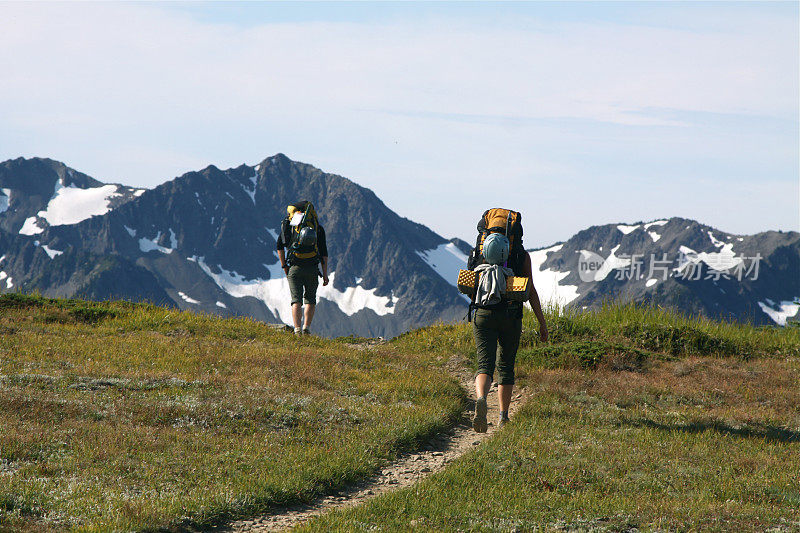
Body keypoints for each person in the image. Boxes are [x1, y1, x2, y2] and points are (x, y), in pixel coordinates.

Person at [471, 233, 548, 432]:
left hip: (483, 314)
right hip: (510, 316)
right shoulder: (521, 256)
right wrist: (542, 323)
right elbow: (530, 291)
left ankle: (481, 397)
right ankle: (503, 417)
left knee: (484, 365)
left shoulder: (478, 254)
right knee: (505, 366)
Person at [276, 201, 329, 335]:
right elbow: (324, 253)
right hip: (312, 267)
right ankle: (306, 328)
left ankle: (297, 329)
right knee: (310, 299)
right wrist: (325, 274)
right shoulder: (317, 227)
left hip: (294, 268)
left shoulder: (289, 225)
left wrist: (284, 266)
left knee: (296, 300)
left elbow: (279, 246)